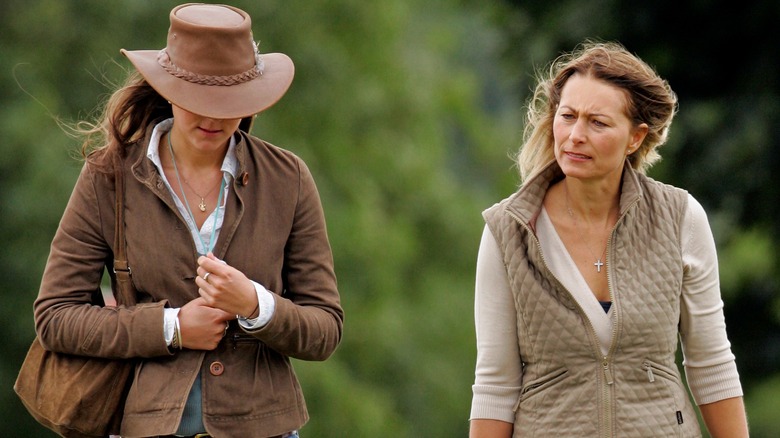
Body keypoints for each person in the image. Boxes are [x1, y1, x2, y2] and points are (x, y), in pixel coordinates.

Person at [32, 4, 343, 437]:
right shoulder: (109, 176)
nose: (213, 117)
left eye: (229, 101)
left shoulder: (288, 178)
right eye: (198, 100)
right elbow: (55, 318)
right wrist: (171, 328)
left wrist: (254, 304)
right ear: (168, 90)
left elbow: (325, 329)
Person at [468, 41, 749, 437]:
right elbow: (495, 385)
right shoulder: (507, 230)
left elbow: (711, 363)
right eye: (567, 116)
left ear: (635, 137)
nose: (575, 135)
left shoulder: (681, 218)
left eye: (597, 123)